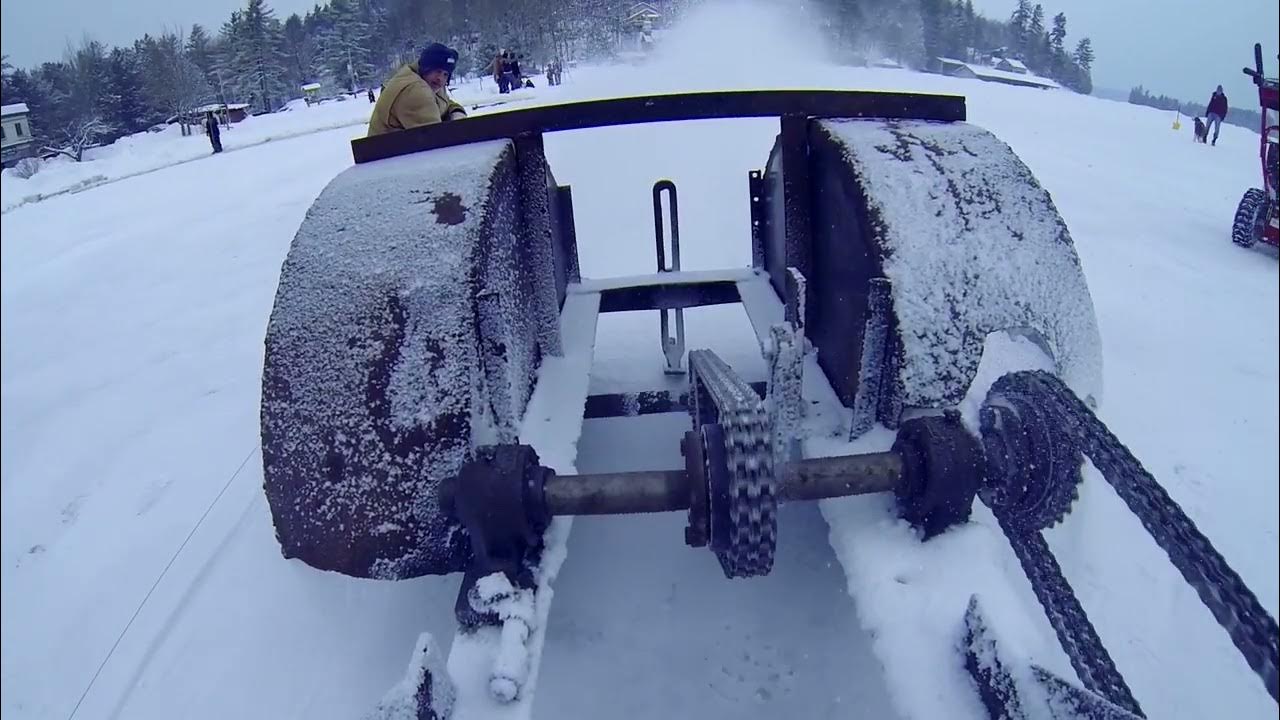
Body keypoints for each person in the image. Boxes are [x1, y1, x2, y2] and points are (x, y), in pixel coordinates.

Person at [367, 43, 467, 136]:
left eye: (445, 74)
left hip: (399, 151)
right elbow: (435, 138)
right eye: (438, 71)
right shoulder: (414, 90)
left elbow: (444, 103)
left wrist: (456, 112)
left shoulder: (428, 82)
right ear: (427, 67)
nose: (440, 78)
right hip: (388, 152)